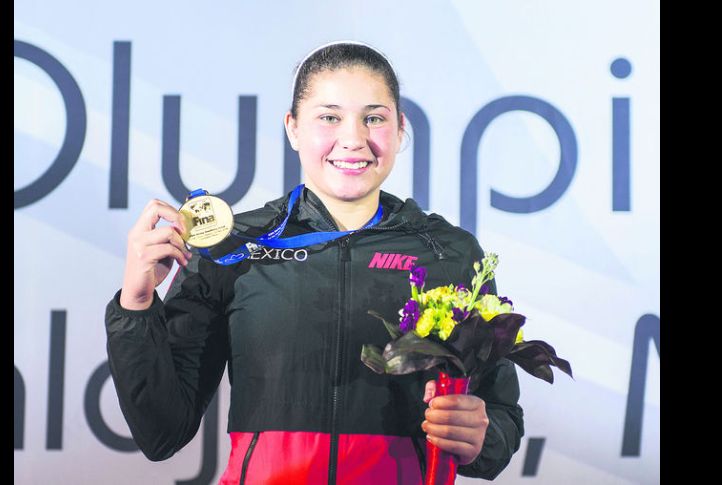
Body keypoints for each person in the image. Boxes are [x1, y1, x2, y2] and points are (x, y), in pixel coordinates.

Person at [105, 41, 524, 484]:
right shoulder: (233, 248)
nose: (353, 138)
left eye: (374, 118)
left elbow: (500, 415)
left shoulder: (448, 252)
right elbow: (161, 431)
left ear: (399, 129)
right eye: (329, 116)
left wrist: (483, 436)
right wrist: (136, 302)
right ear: (293, 129)